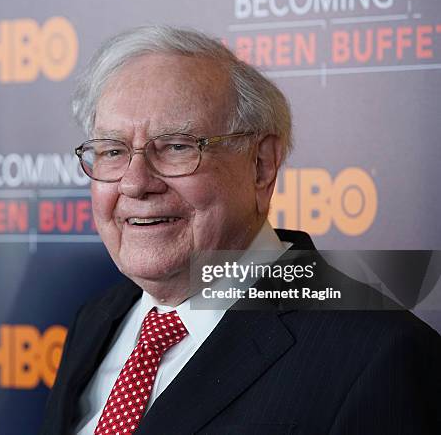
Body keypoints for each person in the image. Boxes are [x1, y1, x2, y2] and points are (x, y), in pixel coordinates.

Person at [40, 26, 440, 435]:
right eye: (111, 151)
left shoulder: (379, 355)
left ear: (261, 165)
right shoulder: (98, 317)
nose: (135, 183)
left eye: (177, 146)